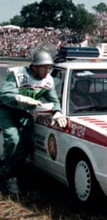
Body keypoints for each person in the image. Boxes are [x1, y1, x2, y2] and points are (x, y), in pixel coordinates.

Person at [0, 49, 67, 195]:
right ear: (34, 67)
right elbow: (4, 94)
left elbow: (53, 99)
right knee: (13, 138)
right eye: (43, 67)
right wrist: (18, 98)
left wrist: (57, 111)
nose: (46, 70)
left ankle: (13, 168)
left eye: (48, 67)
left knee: (27, 143)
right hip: (6, 109)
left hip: (24, 112)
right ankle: (7, 174)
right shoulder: (17, 74)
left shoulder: (47, 80)